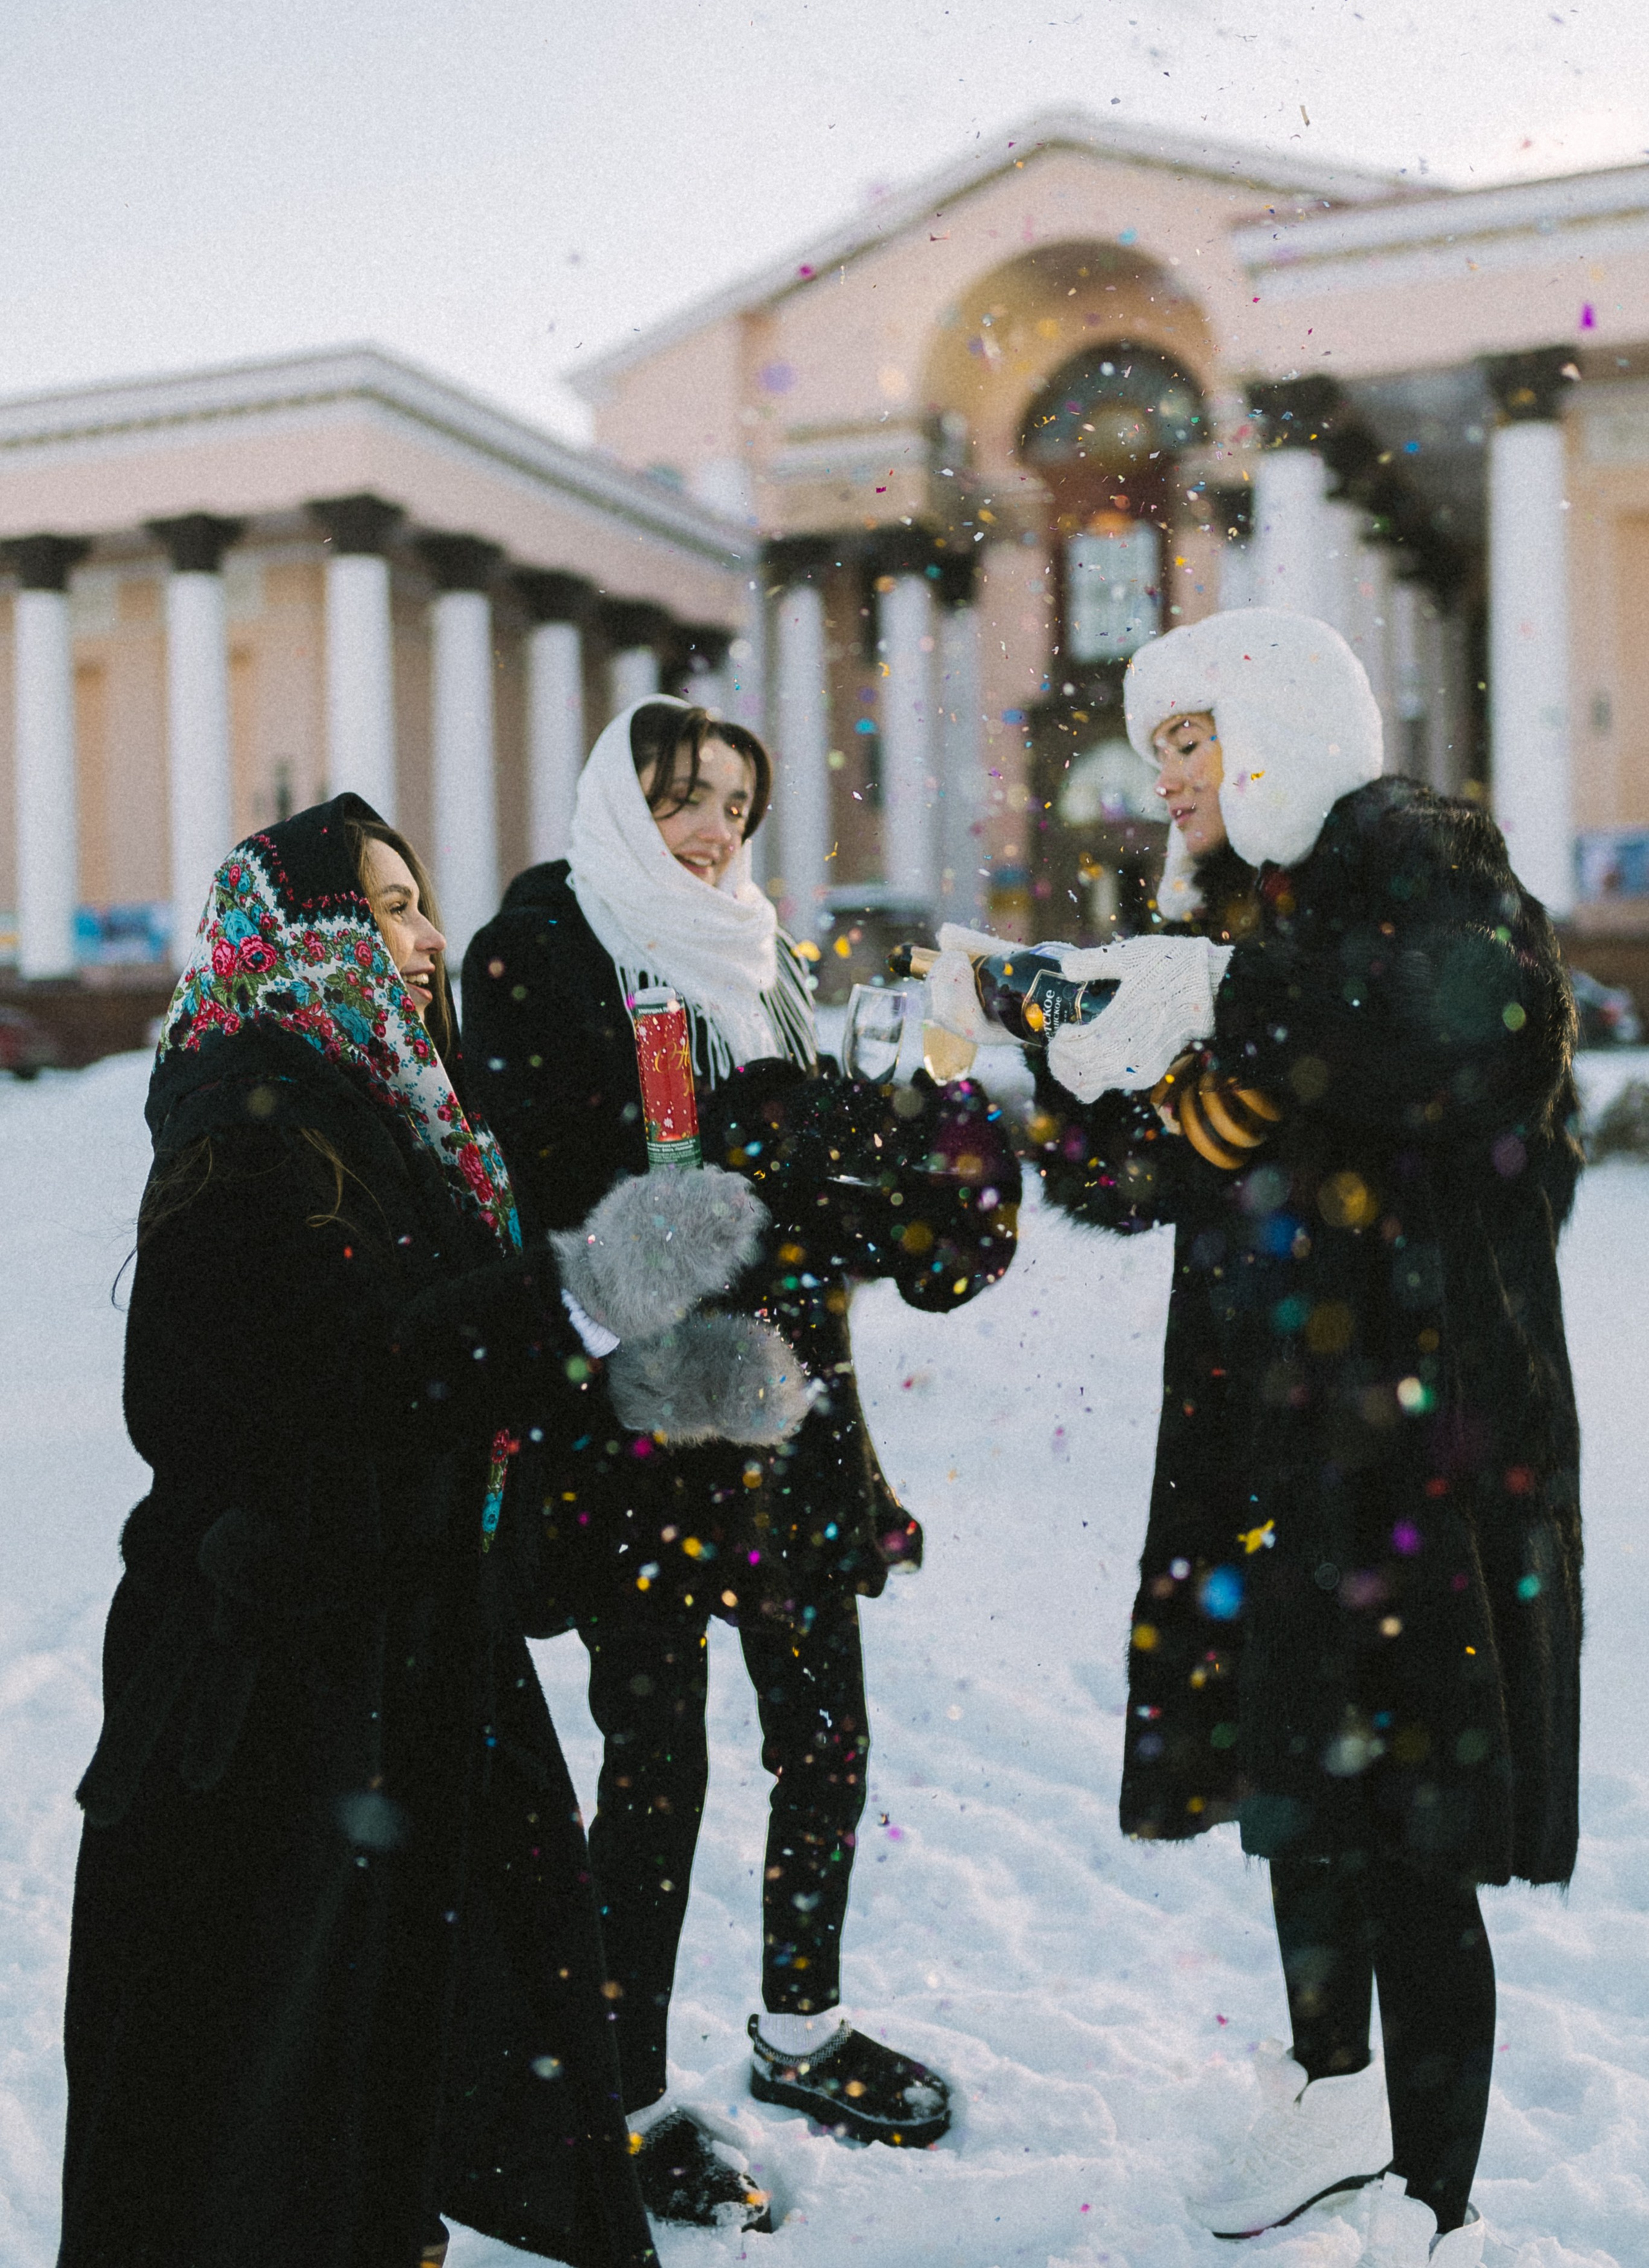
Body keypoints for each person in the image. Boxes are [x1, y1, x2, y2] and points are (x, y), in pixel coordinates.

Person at [60, 791, 801, 2268]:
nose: (425, 936)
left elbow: (461, 1407)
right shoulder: (248, 1108)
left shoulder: (409, 1119)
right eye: (387, 905)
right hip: (270, 1700)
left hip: (408, 1676)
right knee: (270, 2118)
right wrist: (577, 1296)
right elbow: (305, 1388)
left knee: (395, 2073)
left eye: (418, 902)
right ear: (306, 934)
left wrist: (639, 1404)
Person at [931, 608, 1582, 2268]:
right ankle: (1326, 2093)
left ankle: (1435, 2197)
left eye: (1189, 743)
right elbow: (1142, 1181)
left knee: (1415, 1829)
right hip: (1281, 1447)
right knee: (1299, 1794)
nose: (1165, 785)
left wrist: (1208, 1005)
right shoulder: (1248, 934)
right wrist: (1063, 1052)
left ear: (1282, 728)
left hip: (1414, 1451)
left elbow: (1462, 1033)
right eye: (1153, 753)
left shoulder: (1419, 863)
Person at [462, 698, 1020, 2231]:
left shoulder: (756, 954)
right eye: (683, 798)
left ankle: (796, 2030)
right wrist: (749, 1158)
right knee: (656, 1767)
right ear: (620, 805)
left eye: (734, 804)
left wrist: (928, 1171)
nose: (714, 831)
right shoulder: (543, 952)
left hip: (786, 1426)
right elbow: (568, 1203)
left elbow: (808, 1186)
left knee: (825, 1736)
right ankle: (624, 2095)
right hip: (642, 1430)